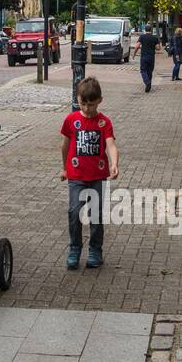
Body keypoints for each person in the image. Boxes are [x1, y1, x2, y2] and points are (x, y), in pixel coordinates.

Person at [59, 76, 119, 270]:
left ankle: (95, 250)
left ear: (100, 100)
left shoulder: (104, 123)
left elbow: (110, 144)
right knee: (74, 212)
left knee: (96, 215)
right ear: (77, 99)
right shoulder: (71, 120)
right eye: (83, 104)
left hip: (97, 177)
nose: (86, 109)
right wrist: (64, 168)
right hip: (76, 176)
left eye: (91, 105)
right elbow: (65, 146)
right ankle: (75, 248)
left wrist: (114, 163)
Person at [137, 24, 160, 92]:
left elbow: (137, 46)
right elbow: (158, 48)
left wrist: (134, 54)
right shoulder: (154, 38)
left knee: (143, 70)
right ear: (151, 30)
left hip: (144, 56)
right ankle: (149, 85)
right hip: (151, 57)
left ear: (145, 30)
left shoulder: (142, 37)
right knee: (150, 71)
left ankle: (147, 82)